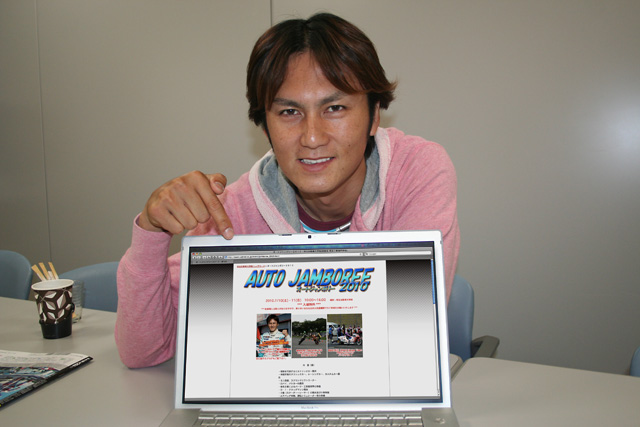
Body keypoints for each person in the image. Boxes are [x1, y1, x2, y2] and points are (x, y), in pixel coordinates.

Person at [115, 12, 459, 368]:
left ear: (374, 116)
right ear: (265, 127)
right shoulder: (233, 211)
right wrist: (152, 232)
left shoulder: (416, 173)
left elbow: (407, 335)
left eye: (335, 108)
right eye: (290, 112)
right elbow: (145, 352)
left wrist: (263, 331)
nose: (312, 137)